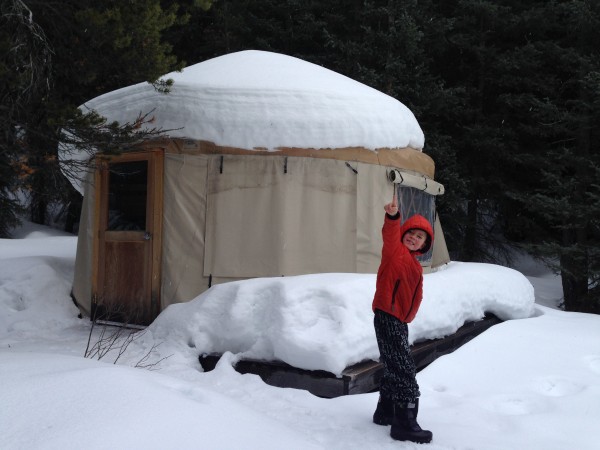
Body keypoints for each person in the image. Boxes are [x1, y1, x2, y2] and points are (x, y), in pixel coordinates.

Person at [371, 190, 434, 444]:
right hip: (387, 315)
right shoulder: (394, 251)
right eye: (411, 233)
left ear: (424, 245)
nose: (414, 238)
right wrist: (394, 216)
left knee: (394, 366)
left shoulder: (415, 265)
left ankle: (385, 412)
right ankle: (404, 424)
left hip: (399, 320)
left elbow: (415, 294)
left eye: (419, 237)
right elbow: (390, 233)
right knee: (405, 369)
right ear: (403, 234)